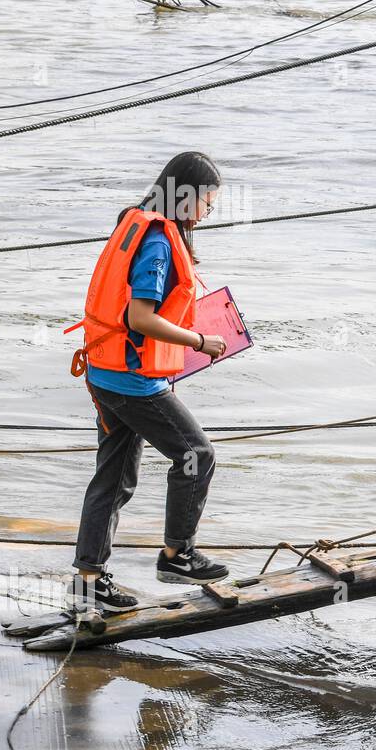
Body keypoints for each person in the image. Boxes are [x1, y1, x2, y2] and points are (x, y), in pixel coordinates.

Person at [68, 152, 231, 611]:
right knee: (196, 454)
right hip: (131, 379)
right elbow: (141, 318)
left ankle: (88, 580)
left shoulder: (134, 222)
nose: (207, 214)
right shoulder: (158, 242)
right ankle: (178, 554)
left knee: (113, 478)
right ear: (185, 197)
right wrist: (201, 340)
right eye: (207, 204)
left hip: (106, 369)